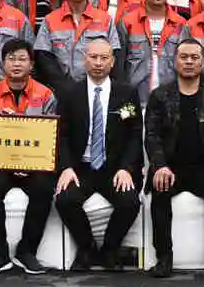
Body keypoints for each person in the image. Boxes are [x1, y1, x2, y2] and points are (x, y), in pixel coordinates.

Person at [143, 38, 204, 276]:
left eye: (194, 57)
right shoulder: (160, 96)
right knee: (160, 190)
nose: (189, 62)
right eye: (184, 57)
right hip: (170, 167)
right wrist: (159, 166)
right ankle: (164, 257)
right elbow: (152, 136)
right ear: (175, 61)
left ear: (203, 62)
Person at [53, 38, 143, 271]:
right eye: (93, 57)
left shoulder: (127, 93)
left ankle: (110, 249)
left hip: (114, 168)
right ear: (85, 59)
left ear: (112, 62)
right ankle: (86, 248)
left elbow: (134, 135)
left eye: (104, 58)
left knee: (130, 202)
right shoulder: (70, 93)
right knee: (65, 199)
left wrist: (126, 168)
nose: (98, 63)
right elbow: (60, 135)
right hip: (81, 167)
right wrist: (66, 167)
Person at [0, 38, 60, 275]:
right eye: (11, 59)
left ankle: (27, 251)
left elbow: (50, 137)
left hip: (34, 165)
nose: (16, 64)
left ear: (31, 64)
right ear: (2, 63)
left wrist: (28, 164)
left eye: (22, 59)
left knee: (44, 188)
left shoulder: (46, 95)